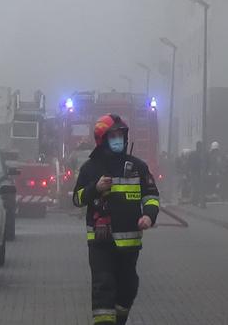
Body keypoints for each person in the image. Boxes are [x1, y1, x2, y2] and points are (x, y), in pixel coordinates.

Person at [72, 114, 160, 325]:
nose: (118, 139)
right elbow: (77, 198)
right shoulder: (90, 168)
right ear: (103, 139)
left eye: (121, 135)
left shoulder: (138, 167)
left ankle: (118, 321)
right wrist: (96, 188)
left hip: (130, 243)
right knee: (104, 286)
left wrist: (149, 216)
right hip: (101, 242)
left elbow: (151, 196)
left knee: (129, 286)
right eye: (113, 135)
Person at [189, 141, 205, 208]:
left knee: (195, 187)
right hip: (195, 173)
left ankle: (194, 201)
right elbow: (194, 164)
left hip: (195, 173)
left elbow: (189, 163)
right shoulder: (196, 154)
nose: (201, 148)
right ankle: (194, 201)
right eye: (200, 146)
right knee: (196, 187)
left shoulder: (195, 154)